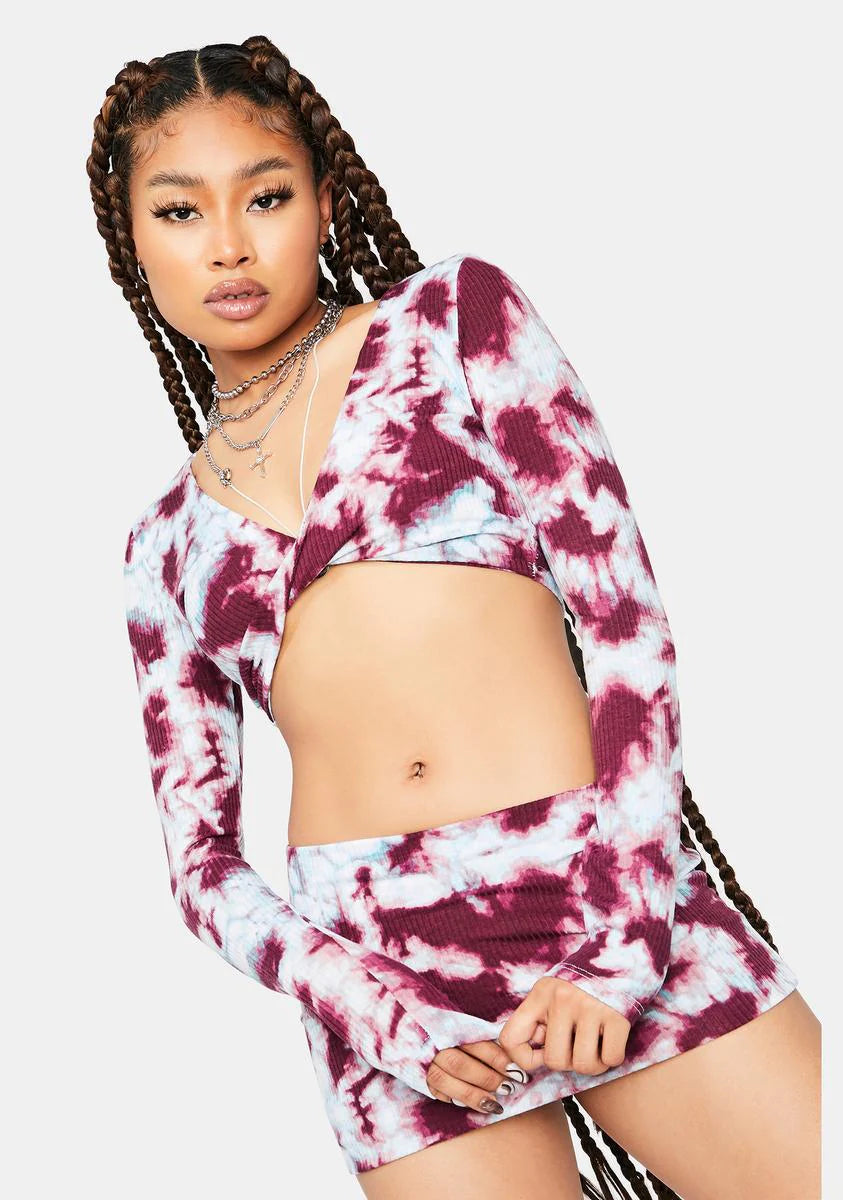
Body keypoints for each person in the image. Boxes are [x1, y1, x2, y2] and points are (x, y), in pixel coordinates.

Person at [89, 34, 820, 1200]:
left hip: (599, 899)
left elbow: (626, 631)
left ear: (325, 204)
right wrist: (372, 1008)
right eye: (180, 212)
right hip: (388, 987)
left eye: (265, 197)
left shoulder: (450, 325)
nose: (227, 244)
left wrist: (628, 939)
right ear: (133, 244)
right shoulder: (162, 541)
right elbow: (203, 864)